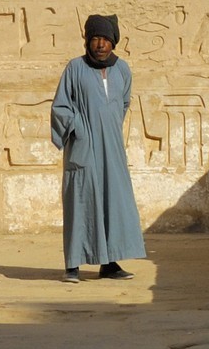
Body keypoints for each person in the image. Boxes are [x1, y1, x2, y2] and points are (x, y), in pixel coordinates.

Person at [50, 15, 147, 282]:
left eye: (105, 39)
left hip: (112, 148)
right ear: (87, 41)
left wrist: (109, 127)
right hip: (83, 146)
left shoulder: (122, 70)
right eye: (95, 39)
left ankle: (110, 263)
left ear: (113, 42)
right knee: (80, 203)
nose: (100, 44)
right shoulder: (74, 68)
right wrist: (79, 128)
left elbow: (123, 104)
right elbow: (60, 106)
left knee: (112, 202)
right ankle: (73, 265)